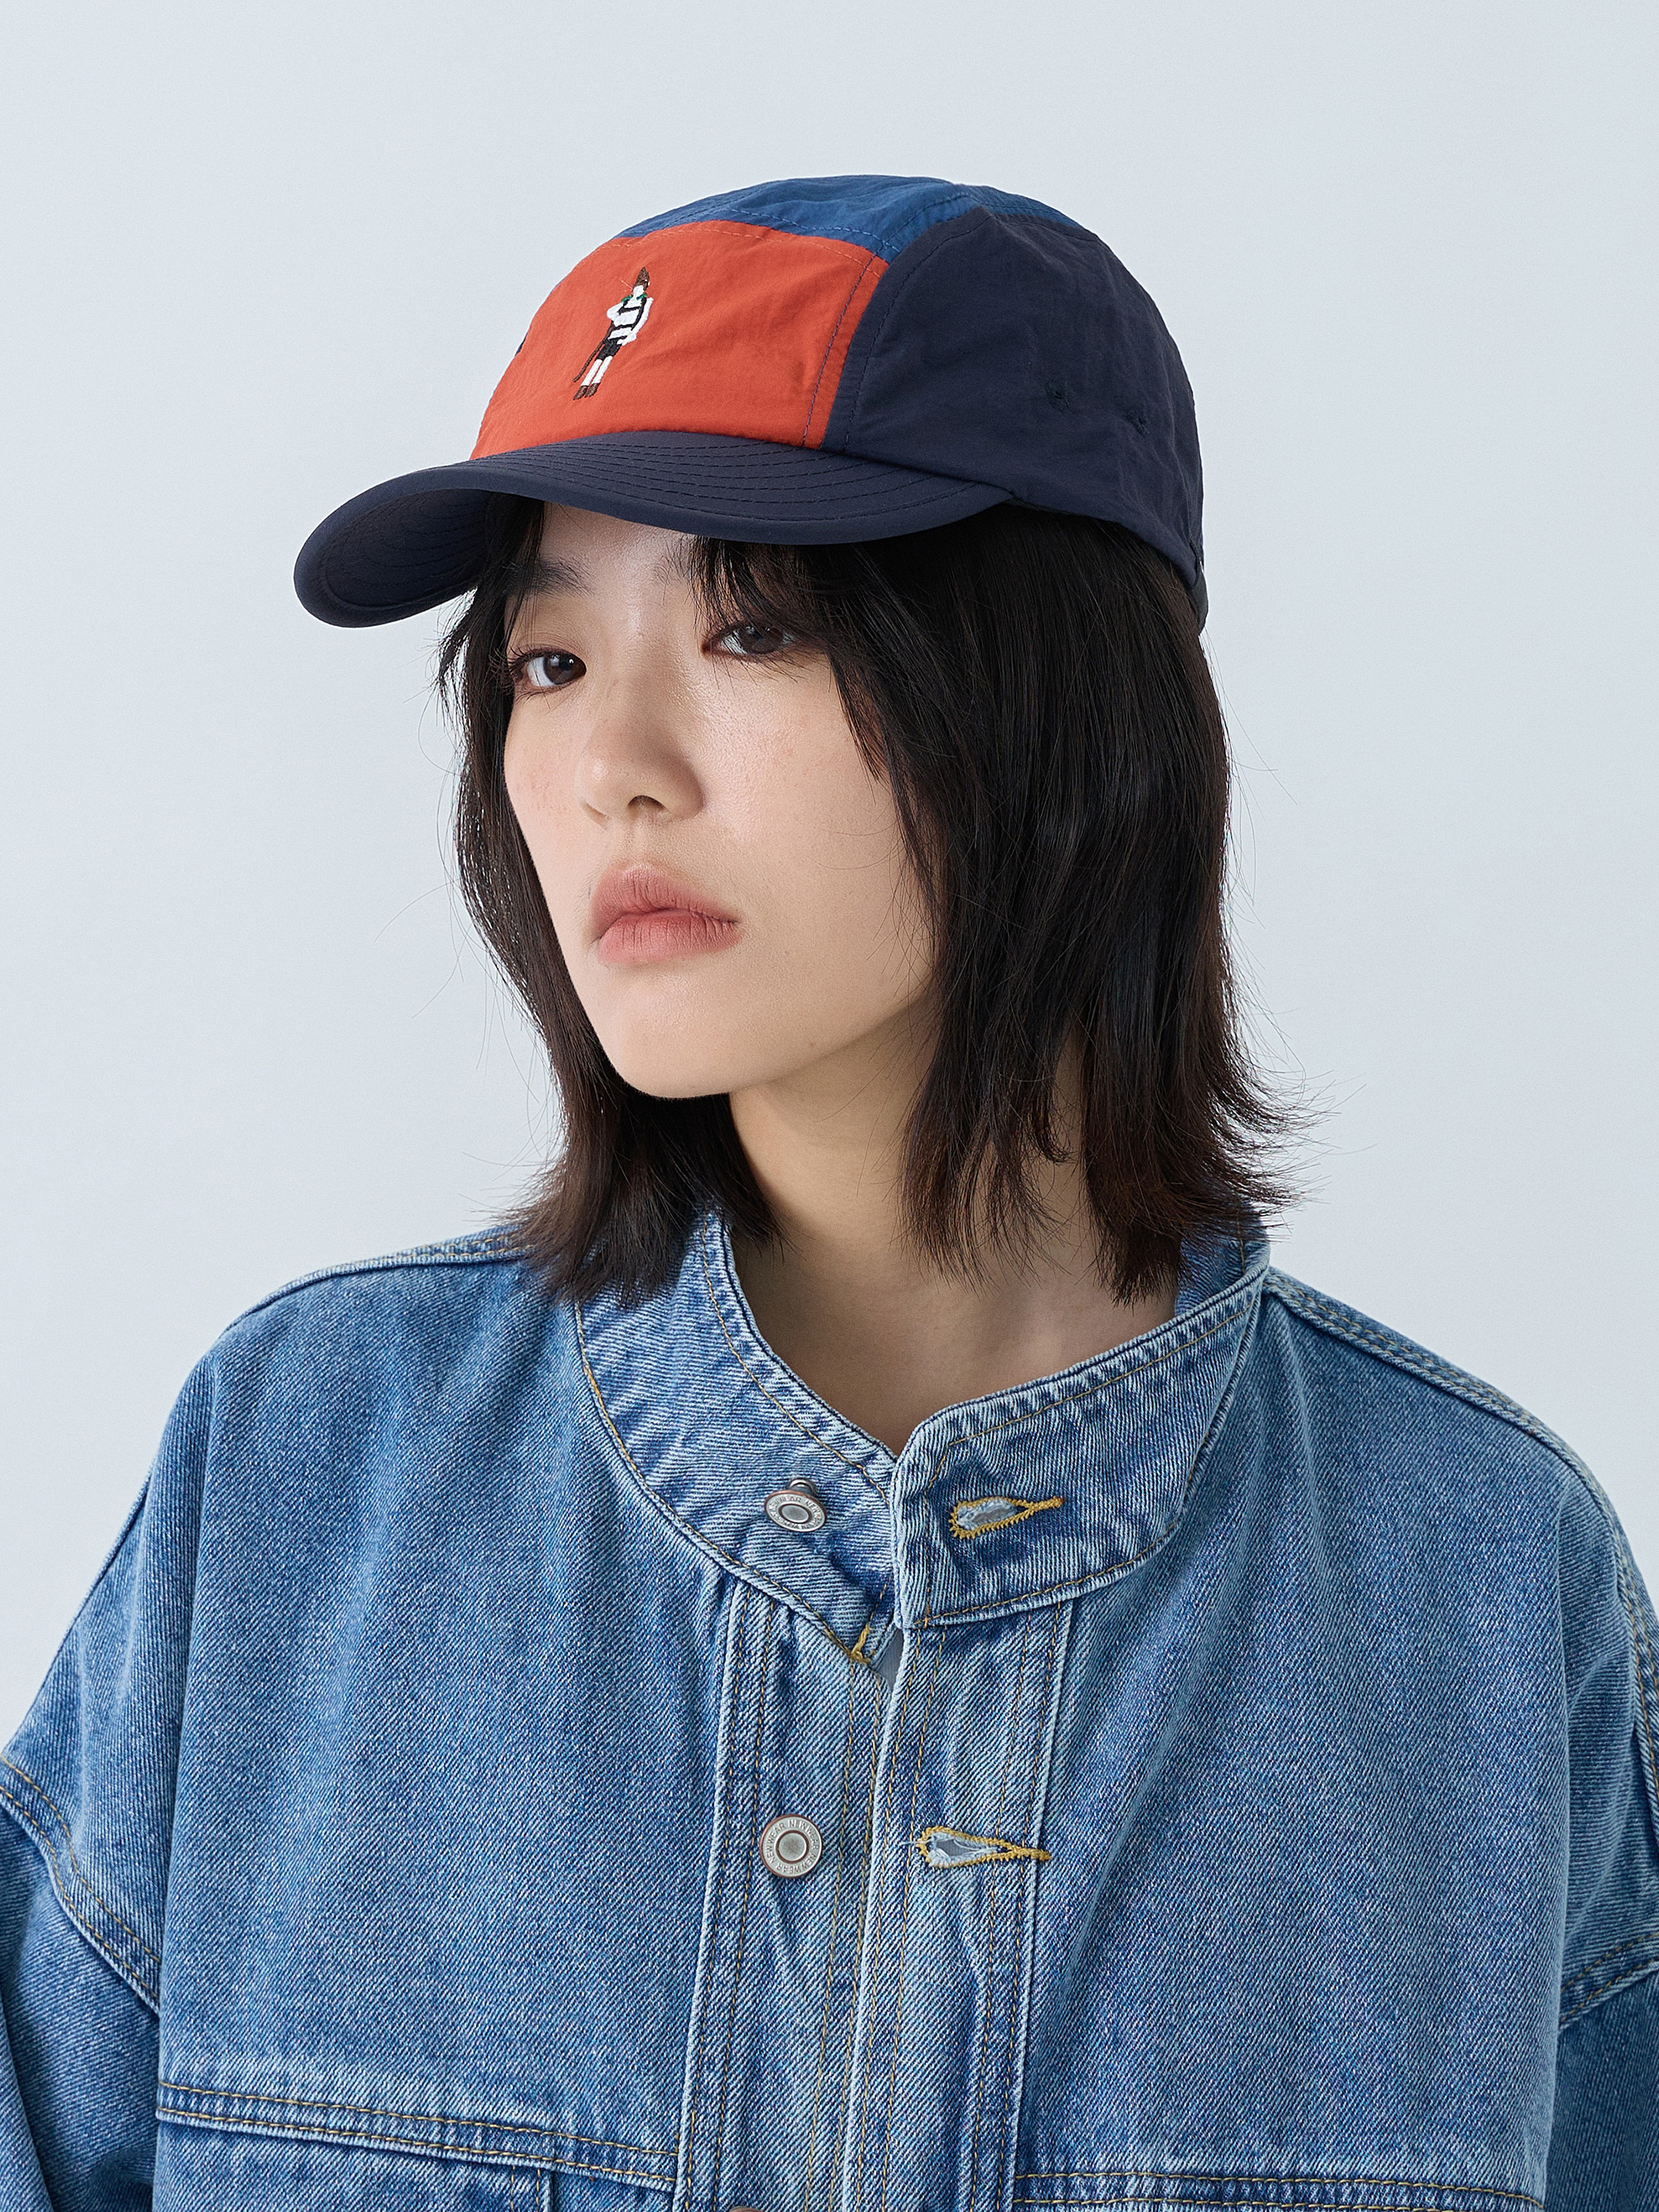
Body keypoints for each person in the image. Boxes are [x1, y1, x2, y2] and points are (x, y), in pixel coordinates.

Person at [2, 174, 1652, 2212]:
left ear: (1064, 703)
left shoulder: (1478, 1586)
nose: (612, 759)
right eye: (544, 657)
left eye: (752, 624)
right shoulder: (306, 1475)